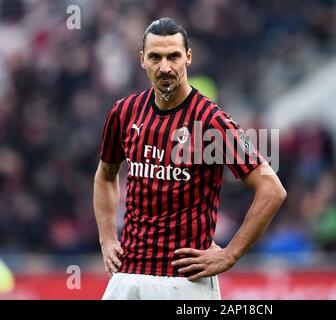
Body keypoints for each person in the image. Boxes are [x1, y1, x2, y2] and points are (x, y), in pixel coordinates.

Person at [93, 17, 287, 300]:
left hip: (183, 282)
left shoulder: (213, 121)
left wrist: (230, 255)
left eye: (173, 56)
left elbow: (272, 189)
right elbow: (105, 175)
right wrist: (108, 238)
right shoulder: (124, 113)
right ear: (142, 60)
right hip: (127, 276)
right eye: (155, 57)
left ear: (188, 57)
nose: (165, 67)